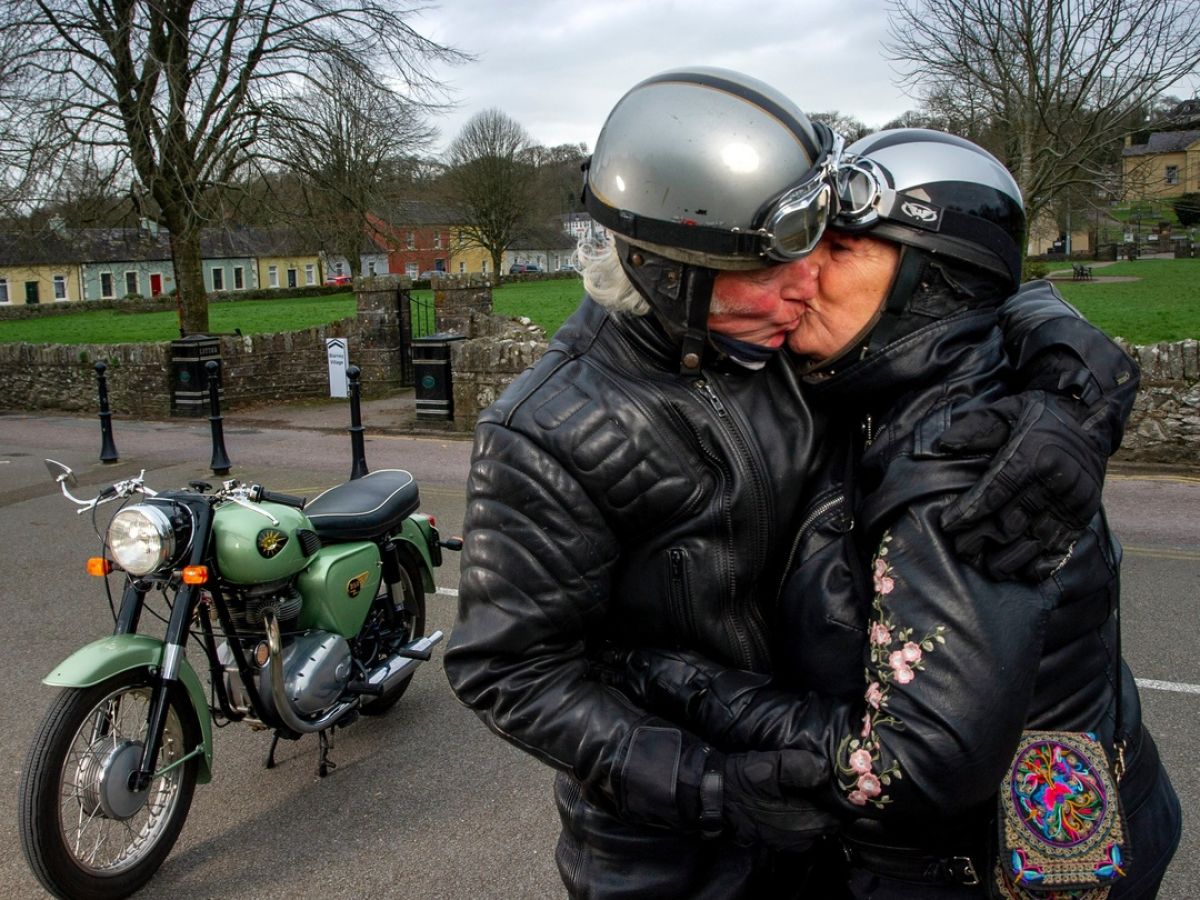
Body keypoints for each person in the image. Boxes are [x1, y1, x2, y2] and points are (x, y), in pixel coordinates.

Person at [443, 68, 1140, 900]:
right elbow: (508, 670)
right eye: (772, 266)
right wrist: (707, 787)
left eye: (815, 250)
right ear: (680, 277)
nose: (805, 283)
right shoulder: (547, 432)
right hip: (672, 853)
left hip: (829, 831)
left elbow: (951, 288)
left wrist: (1074, 376)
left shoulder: (785, 344)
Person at [607, 129, 1181, 898]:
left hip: (985, 871)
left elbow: (911, 764)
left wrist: (677, 678)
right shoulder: (882, 383)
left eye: (841, 251)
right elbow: (1014, 292)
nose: (800, 273)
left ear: (930, 279)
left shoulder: (968, 464)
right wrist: (1072, 360)